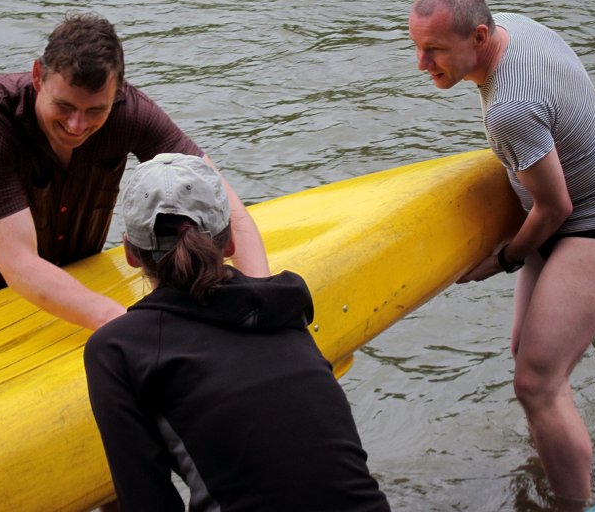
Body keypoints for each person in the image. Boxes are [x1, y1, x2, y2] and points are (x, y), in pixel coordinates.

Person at [408, 0, 595, 504]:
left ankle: (572, 503)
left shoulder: (509, 107)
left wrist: (503, 259)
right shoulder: (519, 28)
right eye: (417, 48)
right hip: (573, 213)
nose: (421, 65)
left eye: (435, 51)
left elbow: (555, 206)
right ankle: (555, 455)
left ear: (479, 34)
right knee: (529, 359)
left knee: (535, 383)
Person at [0, 13, 268, 329]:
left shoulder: (132, 113)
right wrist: (127, 327)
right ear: (38, 76)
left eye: (96, 110)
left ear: (118, 92)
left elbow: (226, 206)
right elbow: (18, 262)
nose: (76, 125)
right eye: (63, 106)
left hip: (69, 250)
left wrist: (258, 300)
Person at [83, 153, 392, 512]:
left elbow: (147, 502)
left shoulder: (117, 349)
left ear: (130, 253)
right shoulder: (282, 308)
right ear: (229, 243)